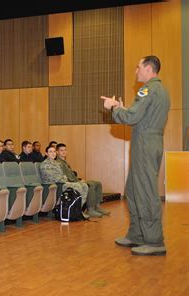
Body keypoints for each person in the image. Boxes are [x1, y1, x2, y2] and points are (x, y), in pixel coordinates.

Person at [101, 55, 170, 256]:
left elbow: (132, 117)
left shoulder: (147, 89)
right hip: (150, 141)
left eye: (138, 67)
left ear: (148, 69)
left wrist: (114, 108)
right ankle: (137, 235)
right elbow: (140, 115)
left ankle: (154, 241)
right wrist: (124, 108)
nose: (136, 71)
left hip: (145, 143)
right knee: (133, 189)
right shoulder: (162, 90)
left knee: (146, 192)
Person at [55, 143, 110, 217]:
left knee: (98, 183)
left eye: (65, 150)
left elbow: (72, 175)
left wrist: (78, 179)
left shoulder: (65, 162)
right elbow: (66, 178)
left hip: (75, 180)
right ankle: (90, 209)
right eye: (61, 150)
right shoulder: (59, 163)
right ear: (57, 152)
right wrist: (78, 181)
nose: (64, 152)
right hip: (70, 183)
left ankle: (97, 206)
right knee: (91, 185)